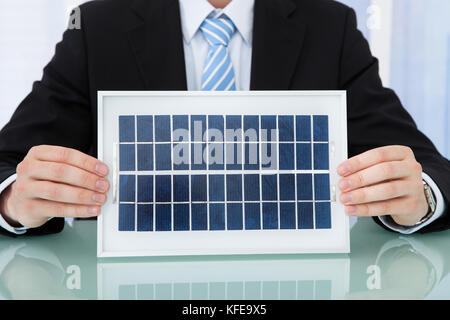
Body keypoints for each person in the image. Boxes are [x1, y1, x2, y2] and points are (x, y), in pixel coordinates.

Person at [0, 0, 448, 236]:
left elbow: (428, 171)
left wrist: (416, 197)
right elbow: (8, 164)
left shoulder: (330, 26)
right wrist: (16, 200)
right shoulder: (97, 27)